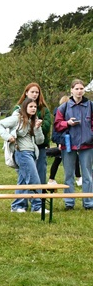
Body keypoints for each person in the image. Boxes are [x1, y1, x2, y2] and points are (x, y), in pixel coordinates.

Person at [0, 97, 45, 213]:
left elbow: (40, 141)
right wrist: (8, 137)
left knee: (23, 180)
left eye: (35, 107)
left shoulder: (34, 120)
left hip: (32, 153)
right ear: (25, 107)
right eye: (31, 107)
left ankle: (17, 206)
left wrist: (37, 129)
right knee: (34, 179)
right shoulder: (17, 119)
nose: (33, 109)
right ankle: (37, 206)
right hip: (21, 152)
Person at [53, 79, 93, 210]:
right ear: (71, 90)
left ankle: (88, 202)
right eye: (77, 89)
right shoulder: (63, 107)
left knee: (87, 174)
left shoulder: (90, 105)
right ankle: (69, 202)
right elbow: (57, 125)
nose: (79, 91)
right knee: (68, 174)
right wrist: (67, 123)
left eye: (81, 88)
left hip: (87, 145)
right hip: (68, 145)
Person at [13, 83, 52, 184]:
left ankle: (40, 197)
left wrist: (37, 127)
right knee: (25, 173)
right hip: (24, 146)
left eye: (37, 92)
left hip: (40, 145)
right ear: (26, 93)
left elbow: (47, 126)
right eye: (32, 92)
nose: (35, 94)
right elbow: (15, 126)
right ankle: (24, 197)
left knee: (40, 171)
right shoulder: (18, 109)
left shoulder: (44, 109)